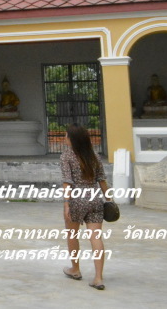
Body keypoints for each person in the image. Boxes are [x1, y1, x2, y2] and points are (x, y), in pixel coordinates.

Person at [60, 124, 111, 290]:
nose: (64, 138)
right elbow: (102, 181)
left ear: (72, 139)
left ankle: (75, 269)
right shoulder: (94, 155)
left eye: (66, 136)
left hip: (76, 199)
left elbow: (68, 181)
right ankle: (98, 277)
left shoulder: (67, 156)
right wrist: (109, 201)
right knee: (96, 238)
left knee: (72, 235)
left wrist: (66, 203)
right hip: (95, 198)